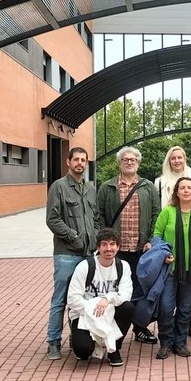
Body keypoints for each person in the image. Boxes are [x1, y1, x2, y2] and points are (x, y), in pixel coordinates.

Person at [96, 146, 159, 344]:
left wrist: (150, 239)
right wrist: (104, 243)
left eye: (133, 159)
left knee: (140, 291)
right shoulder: (107, 187)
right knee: (116, 290)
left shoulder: (148, 186)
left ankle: (140, 328)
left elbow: (156, 214)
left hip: (141, 249)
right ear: (119, 163)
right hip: (117, 251)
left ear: (138, 163)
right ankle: (115, 330)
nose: (129, 162)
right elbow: (99, 216)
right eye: (125, 159)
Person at [45, 146, 97, 360]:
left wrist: (93, 237)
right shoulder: (58, 187)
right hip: (66, 253)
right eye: (76, 160)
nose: (80, 164)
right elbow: (52, 219)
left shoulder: (91, 188)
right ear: (68, 162)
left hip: (87, 253)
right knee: (61, 299)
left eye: (83, 160)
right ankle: (53, 342)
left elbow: (96, 218)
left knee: (84, 299)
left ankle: (79, 339)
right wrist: (74, 237)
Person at [151, 176, 191, 359]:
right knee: (166, 308)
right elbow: (157, 235)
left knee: (185, 309)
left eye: (189, 188)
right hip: (170, 269)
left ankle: (180, 342)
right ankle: (166, 343)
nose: (186, 190)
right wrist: (163, 254)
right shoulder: (167, 212)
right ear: (176, 192)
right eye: (182, 187)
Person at [64, 229, 135, 366]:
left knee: (128, 308)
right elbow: (72, 299)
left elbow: (126, 295)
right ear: (98, 247)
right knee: (83, 351)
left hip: (109, 311)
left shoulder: (123, 266)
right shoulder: (85, 267)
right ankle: (79, 337)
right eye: (104, 244)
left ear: (118, 247)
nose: (108, 248)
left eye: (112, 244)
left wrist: (107, 299)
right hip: (85, 313)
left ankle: (113, 348)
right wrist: (96, 306)